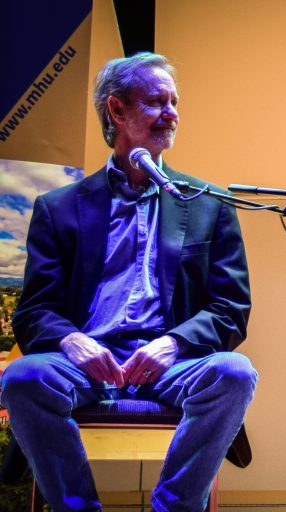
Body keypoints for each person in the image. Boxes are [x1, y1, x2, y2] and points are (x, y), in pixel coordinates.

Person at [3, 52, 257, 512]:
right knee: (23, 376)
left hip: (170, 367)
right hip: (85, 366)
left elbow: (230, 309)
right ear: (117, 110)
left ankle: (173, 508)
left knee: (234, 373)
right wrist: (73, 341)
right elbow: (33, 312)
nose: (172, 113)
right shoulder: (57, 207)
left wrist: (173, 344)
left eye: (175, 102)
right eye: (157, 101)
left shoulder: (209, 203)